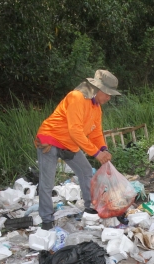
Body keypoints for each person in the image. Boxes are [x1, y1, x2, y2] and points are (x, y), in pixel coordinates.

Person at [35, 70, 119, 230]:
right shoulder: (77, 97)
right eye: (107, 94)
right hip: (50, 140)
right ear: (98, 88)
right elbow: (75, 131)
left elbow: (96, 132)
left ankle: (90, 208)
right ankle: (46, 220)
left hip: (69, 144)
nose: (108, 98)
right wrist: (96, 153)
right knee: (47, 182)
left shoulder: (96, 108)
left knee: (86, 170)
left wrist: (103, 149)